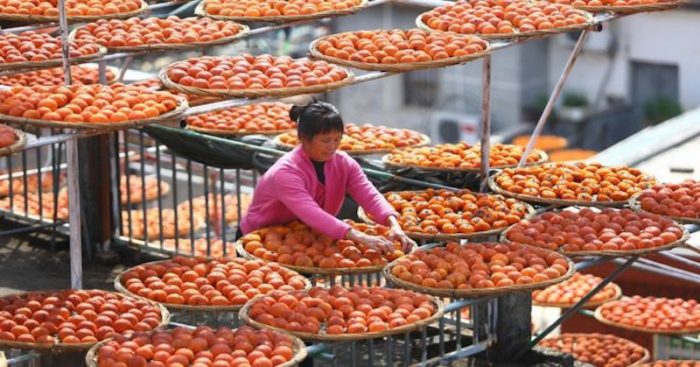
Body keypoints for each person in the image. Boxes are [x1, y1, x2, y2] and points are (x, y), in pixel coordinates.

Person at [237, 100, 414, 253]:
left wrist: (393, 224)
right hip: (259, 240)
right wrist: (358, 236)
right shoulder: (285, 172)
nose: (332, 146)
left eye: (337, 139)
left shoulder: (343, 163)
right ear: (304, 138)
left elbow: (369, 194)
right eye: (325, 140)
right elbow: (311, 212)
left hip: (301, 240)